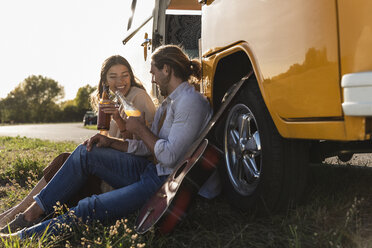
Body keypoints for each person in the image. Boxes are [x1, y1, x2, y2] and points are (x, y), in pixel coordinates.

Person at [0, 45, 212, 239]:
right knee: (85, 152)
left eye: (154, 72)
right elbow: (146, 146)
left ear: (166, 69)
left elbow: (170, 156)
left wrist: (139, 128)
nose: (153, 79)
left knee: (88, 206)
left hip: (164, 182)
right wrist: (111, 142)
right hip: (150, 169)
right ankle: (30, 213)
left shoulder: (190, 103)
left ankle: (21, 237)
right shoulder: (169, 103)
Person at [0, 55, 156, 230]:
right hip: (109, 169)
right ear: (104, 80)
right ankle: (16, 213)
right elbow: (105, 137)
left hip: (124, 177)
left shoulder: (138, 98)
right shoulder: (112, 100)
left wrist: (118, 121)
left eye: (125, 75)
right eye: (113, 76)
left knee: (65, 162)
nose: (120, 81)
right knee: (66, 158)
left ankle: (19, 215)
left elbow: (140, 148)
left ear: (131, 76)